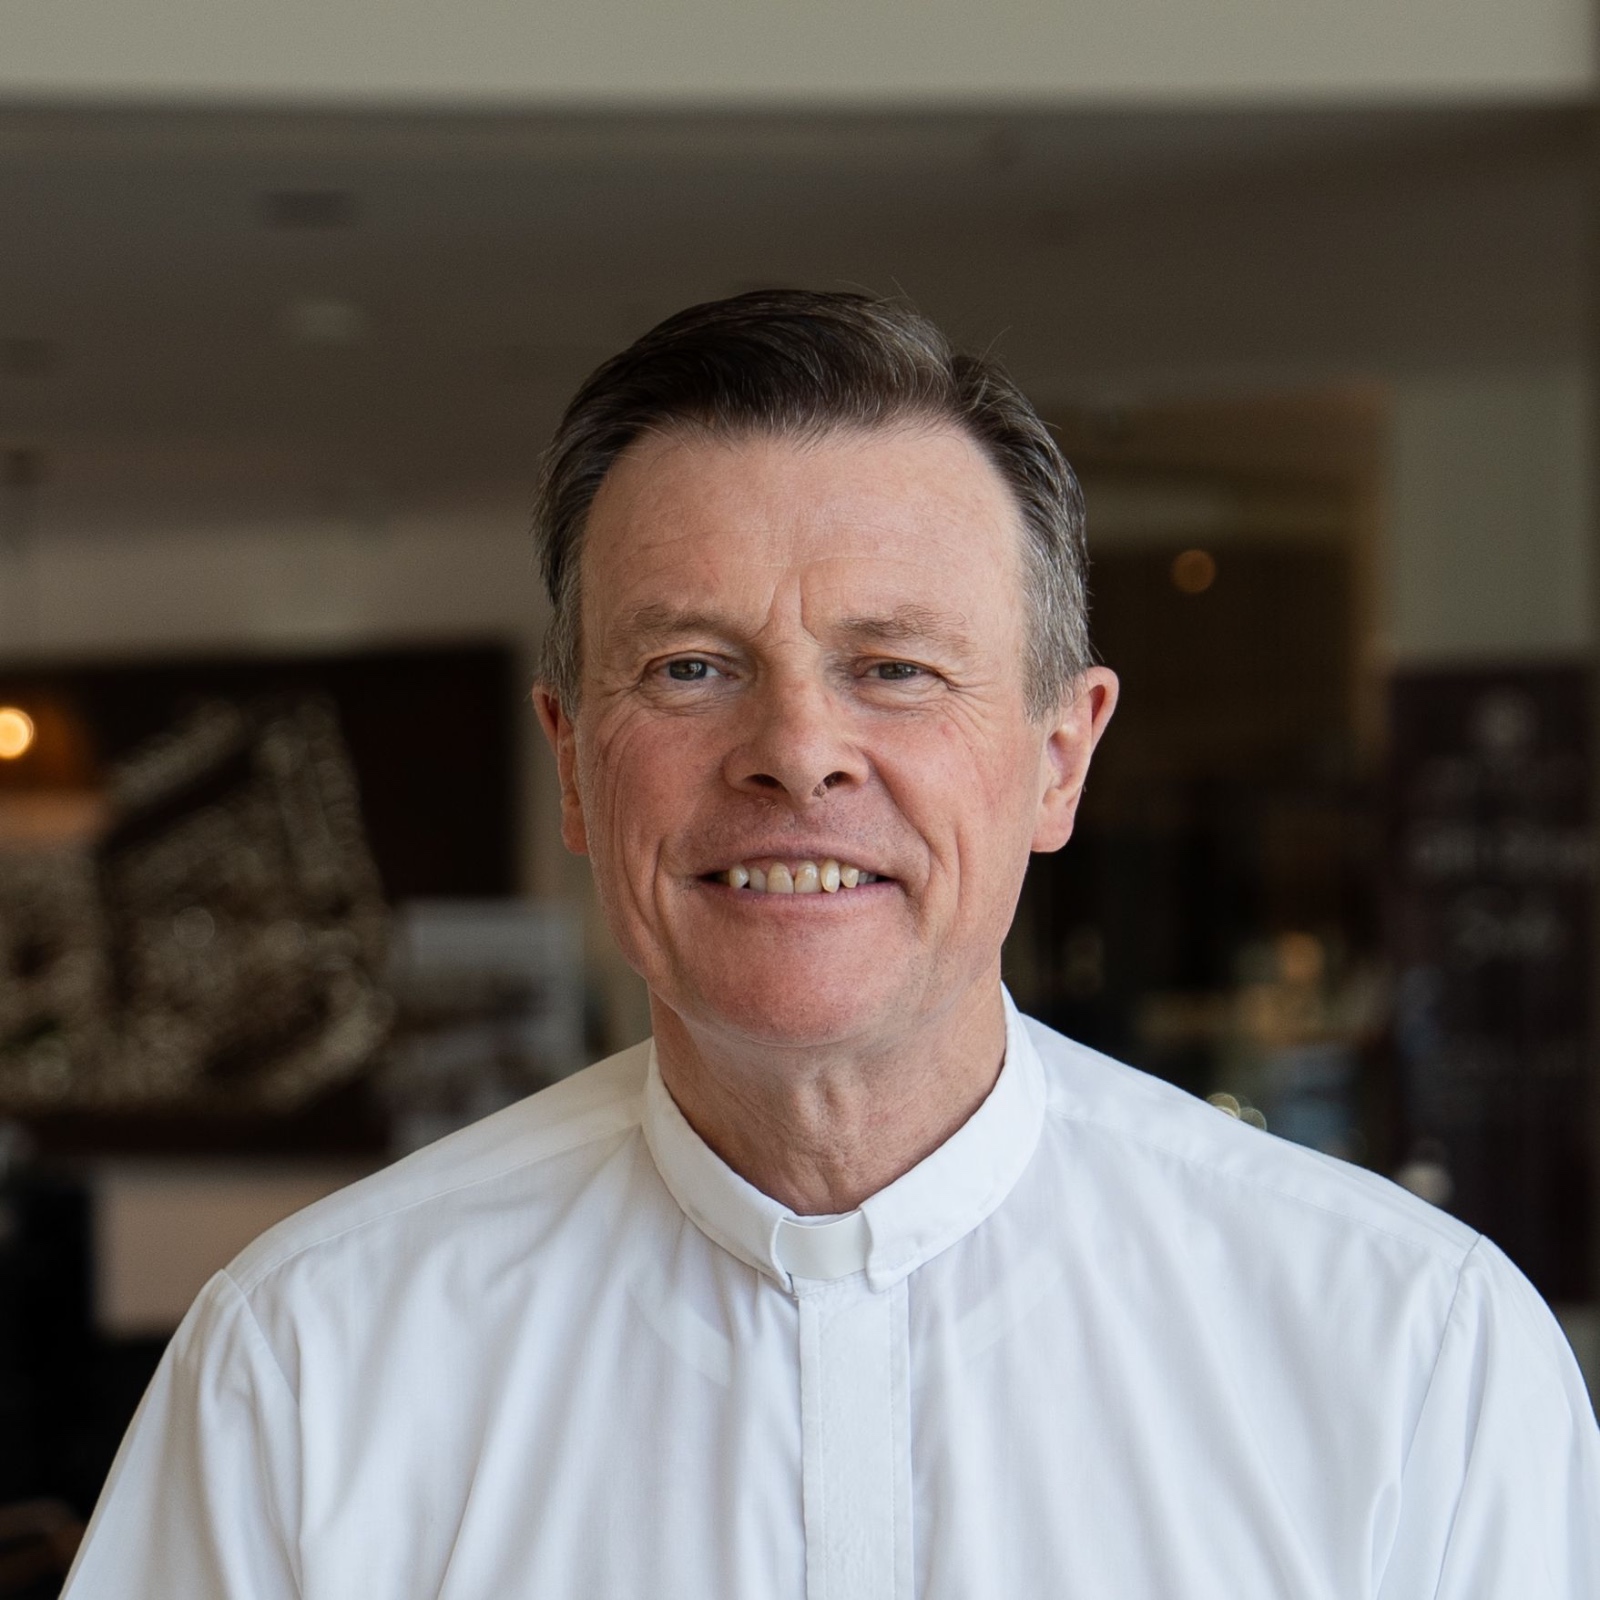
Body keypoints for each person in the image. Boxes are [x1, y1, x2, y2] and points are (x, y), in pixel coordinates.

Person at [63, 292, 1599, 1599]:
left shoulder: (1412, 1352)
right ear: (574, 761)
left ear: (1061, 756)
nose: (798, 752)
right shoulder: (309, 1363)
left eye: (896, 667)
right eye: (690, 667)